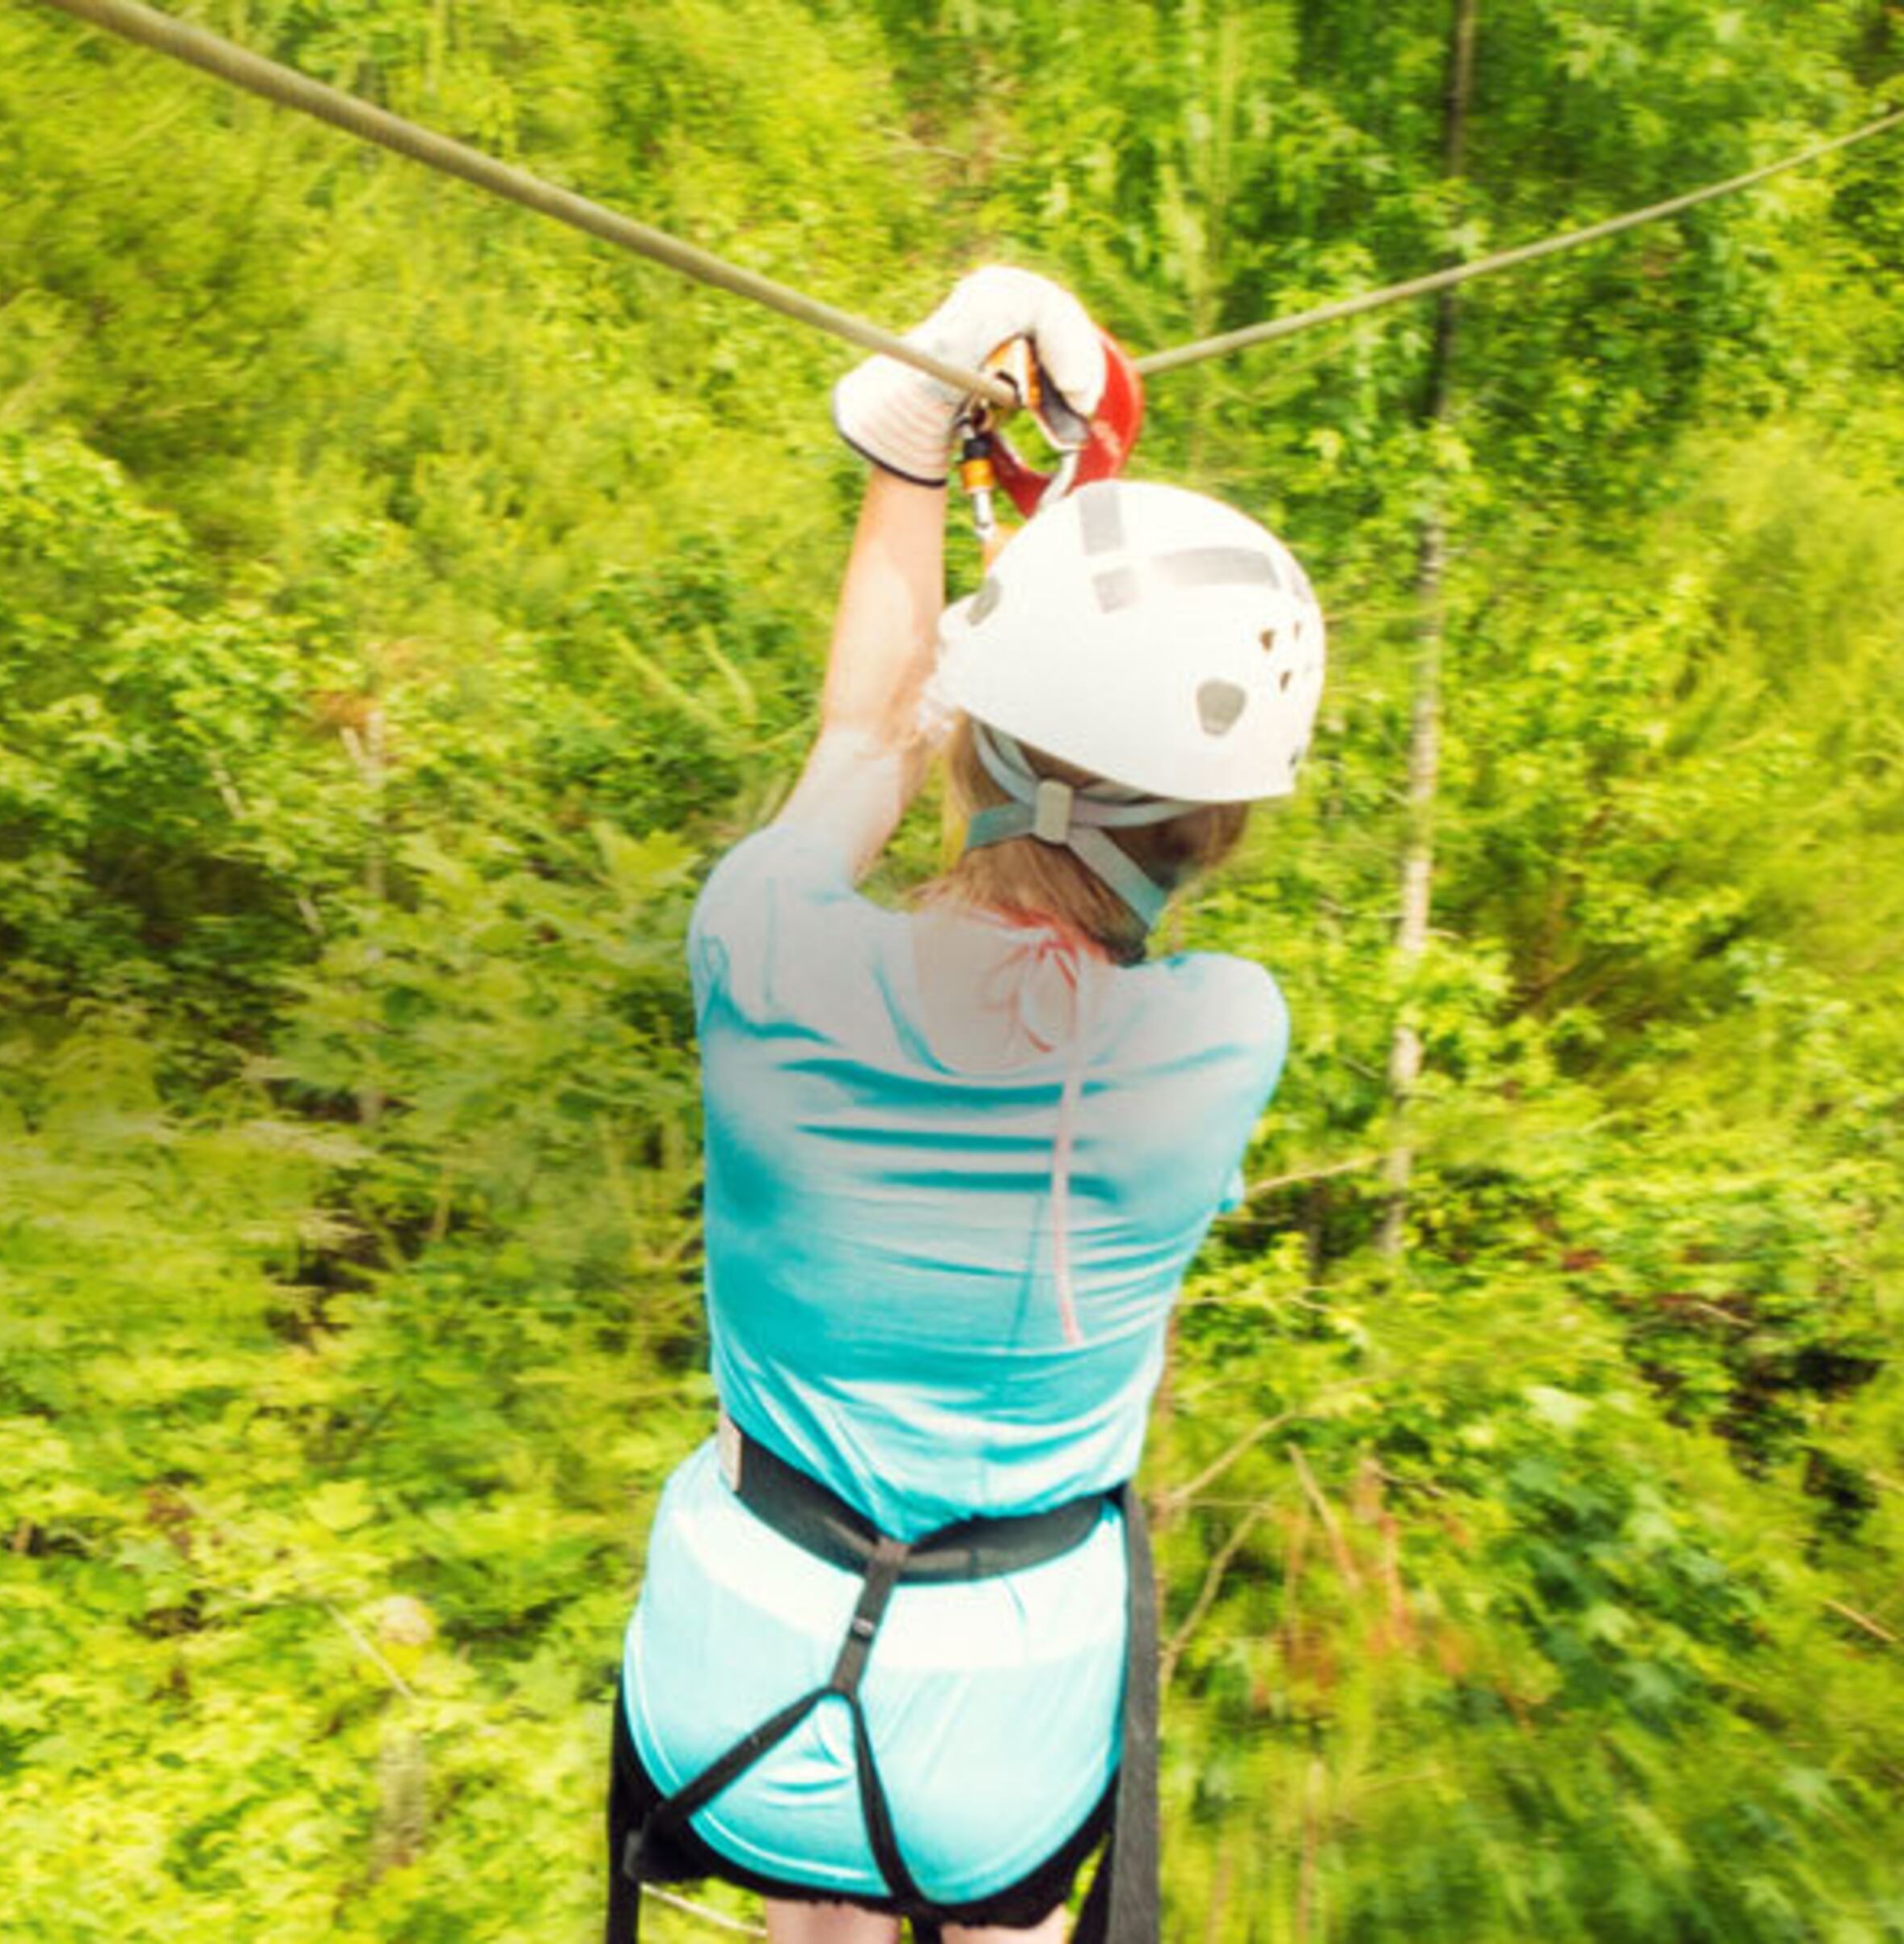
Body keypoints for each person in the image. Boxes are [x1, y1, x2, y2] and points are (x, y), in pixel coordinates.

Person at [606, 267, 1325, 1944]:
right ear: (1217, 835)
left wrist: (918, 450)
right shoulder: (1221, 1039)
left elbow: (864, 728)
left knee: (825, 1864)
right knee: (971, 1827)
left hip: (726, 1703)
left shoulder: (764, 950)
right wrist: (1049, 564)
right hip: (999, 1755)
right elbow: (1019, 800)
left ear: (962, 752)